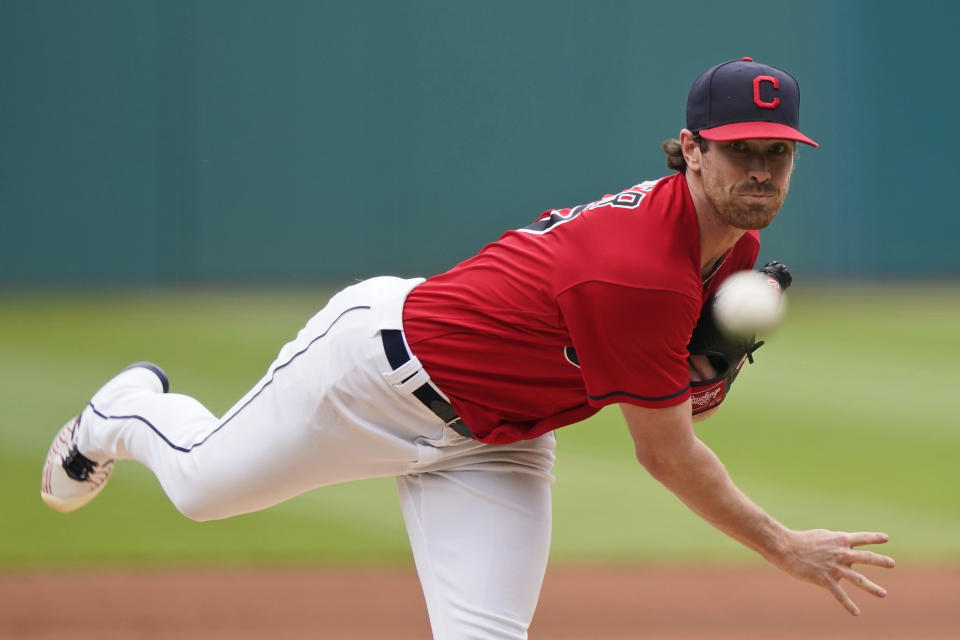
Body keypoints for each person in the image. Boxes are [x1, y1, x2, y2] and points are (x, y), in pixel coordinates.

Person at [41, 57, 894, 638]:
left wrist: (703, 370)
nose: (762, 171)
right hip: (373, 376)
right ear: (693, 152)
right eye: (742, 151)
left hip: (500, 440)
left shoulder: (732, 248)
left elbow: (680, 385)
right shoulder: (642, 275)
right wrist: (784, 542)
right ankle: (125, 411)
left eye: (779, 155)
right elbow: (668, 454)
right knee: (199, 488)